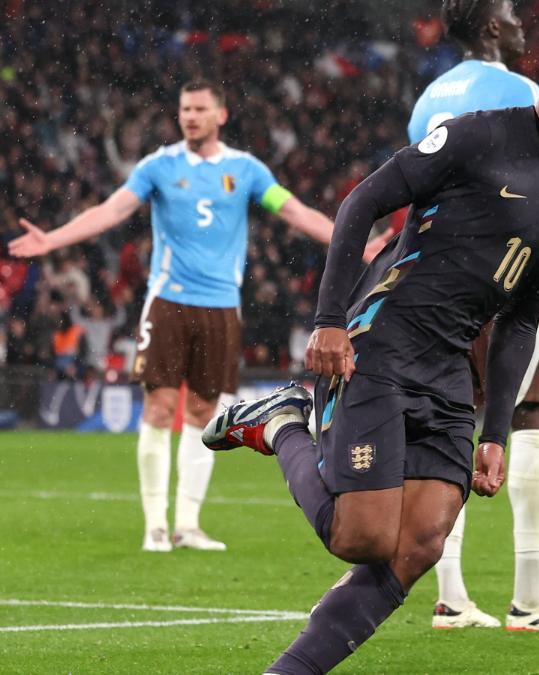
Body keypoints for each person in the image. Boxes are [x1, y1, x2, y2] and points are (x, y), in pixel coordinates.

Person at [202, 17, 539, 674]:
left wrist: (496, 433)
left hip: (452, 367)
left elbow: (519, 321)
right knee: (362, 536)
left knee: (421, 540)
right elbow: (362, 203)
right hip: (383, 342)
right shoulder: (477, 134)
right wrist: (330, 319)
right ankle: (282, 420)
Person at [8, 80, 343, 553]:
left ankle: (188, 524)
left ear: (220, 115)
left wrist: (348, 242)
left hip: (222, 307)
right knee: (161, 407)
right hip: (169, 302)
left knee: (207, 413)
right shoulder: (159, 167)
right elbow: (111, 210)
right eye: (185, 109)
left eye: (200, 109)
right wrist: (53, 240)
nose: (190, 116)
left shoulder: (245, 170)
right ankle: (155, 526)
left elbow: (293, 211)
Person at [407, 0, 539, 632]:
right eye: (509, 13)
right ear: (490, 29)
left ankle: (450, 596)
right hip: (507, 283)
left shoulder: (429, 97)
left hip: (437, 286)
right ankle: (529, 598)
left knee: (448, 425)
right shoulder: (522, 90)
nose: (517, 22)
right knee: (534, 412)